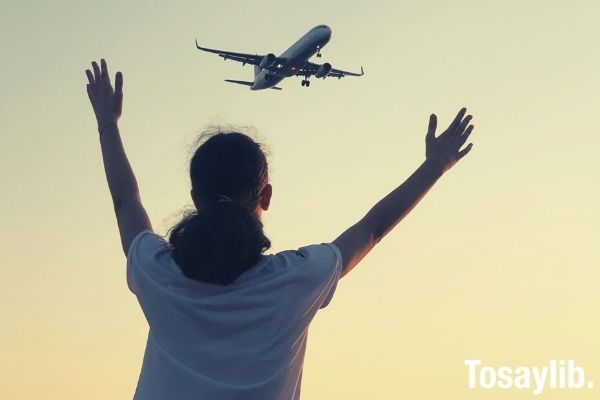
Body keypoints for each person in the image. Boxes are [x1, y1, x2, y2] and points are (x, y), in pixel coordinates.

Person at [85, 59, 475, 400]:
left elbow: (126, 201)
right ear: (265, 196)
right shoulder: (297, 279)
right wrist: (434, 167)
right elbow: (371, 230)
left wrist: (107, 124)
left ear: (195, 197)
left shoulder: (158, 272)